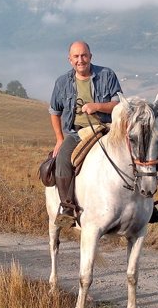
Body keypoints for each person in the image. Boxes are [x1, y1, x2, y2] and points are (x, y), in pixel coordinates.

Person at [48, 41, 122, 228]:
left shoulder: (107, 75)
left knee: (137, 152)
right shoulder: (62, 82)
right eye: (76, 56)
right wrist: (59, 139)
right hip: (77, 133)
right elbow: (54, 112)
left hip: (107, 128)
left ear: (90, 56)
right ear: (70, 59)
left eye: (84, 55)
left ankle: (144, 206)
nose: (80, 60)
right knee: (63, 158)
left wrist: (97, 106)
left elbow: (119, 104)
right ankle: (67, 207)